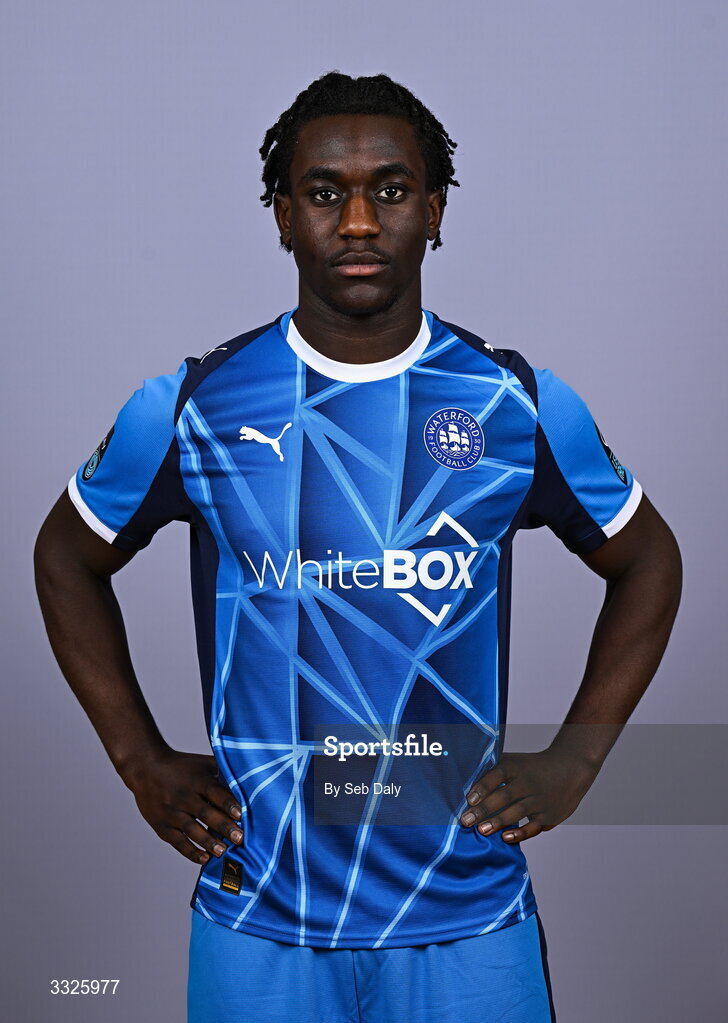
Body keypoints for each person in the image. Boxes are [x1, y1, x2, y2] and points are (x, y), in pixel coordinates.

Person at [34, 71, 682, 1023]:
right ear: (283, 217)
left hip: (465, 912)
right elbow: (65, 554)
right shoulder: (194, 406)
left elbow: (649, 560)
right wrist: (140, 759)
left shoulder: (515, 403)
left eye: (391, 188)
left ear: (435, 210)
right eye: (325, 192)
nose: (360, 221)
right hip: (262, 911)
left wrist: (577, 759)